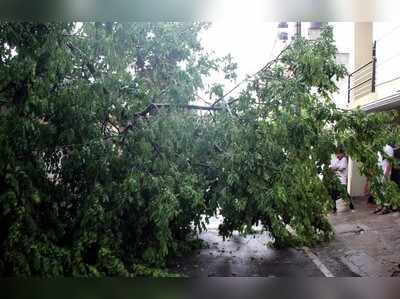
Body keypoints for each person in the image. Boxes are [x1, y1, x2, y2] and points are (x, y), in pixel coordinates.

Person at [329, 148, 354, 213]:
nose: (337, 155)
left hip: (342, 180)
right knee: (333, 193)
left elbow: (341, 167)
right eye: (336, 154)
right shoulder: (337, 160)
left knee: (345, 193)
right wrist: (335, 167)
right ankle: (334, 208)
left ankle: (351, 205)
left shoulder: (344, 159)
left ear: (342, 153)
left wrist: (335, 168)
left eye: (338, 153)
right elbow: (333, 166)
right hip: (336, 180)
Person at [374, 144, 395, 214]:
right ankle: (380, 206)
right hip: (378, 172)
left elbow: (390, 162)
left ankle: (386, 207)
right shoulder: (378, 148)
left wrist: (386, 174)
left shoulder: (388, 148)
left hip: (385, 172)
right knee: (379, 190)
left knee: (385, 190)